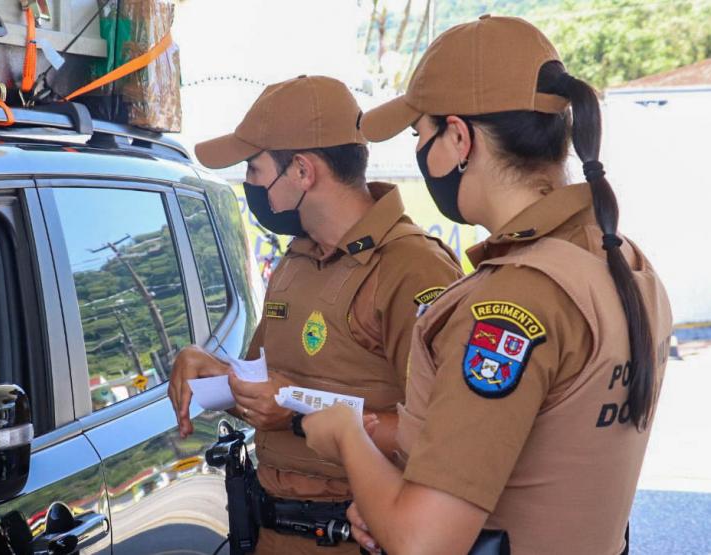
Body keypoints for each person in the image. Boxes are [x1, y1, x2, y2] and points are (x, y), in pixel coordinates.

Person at [302, 15, 672, 555]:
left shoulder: (512, 301)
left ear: (458, 138)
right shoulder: (622, 262)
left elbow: (424, 543)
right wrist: (387, 500)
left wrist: (344, 435)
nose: (420, 157)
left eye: (419, 136)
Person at [167, 75, 463, 554]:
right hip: (273, 529)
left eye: (254, 168)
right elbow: (270, 385)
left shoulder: (413, 268)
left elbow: (444, 435)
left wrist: (297, 409)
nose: (249, 185)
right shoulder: (297, 258)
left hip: (358, 532)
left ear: (303, 171)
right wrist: (215, 371)